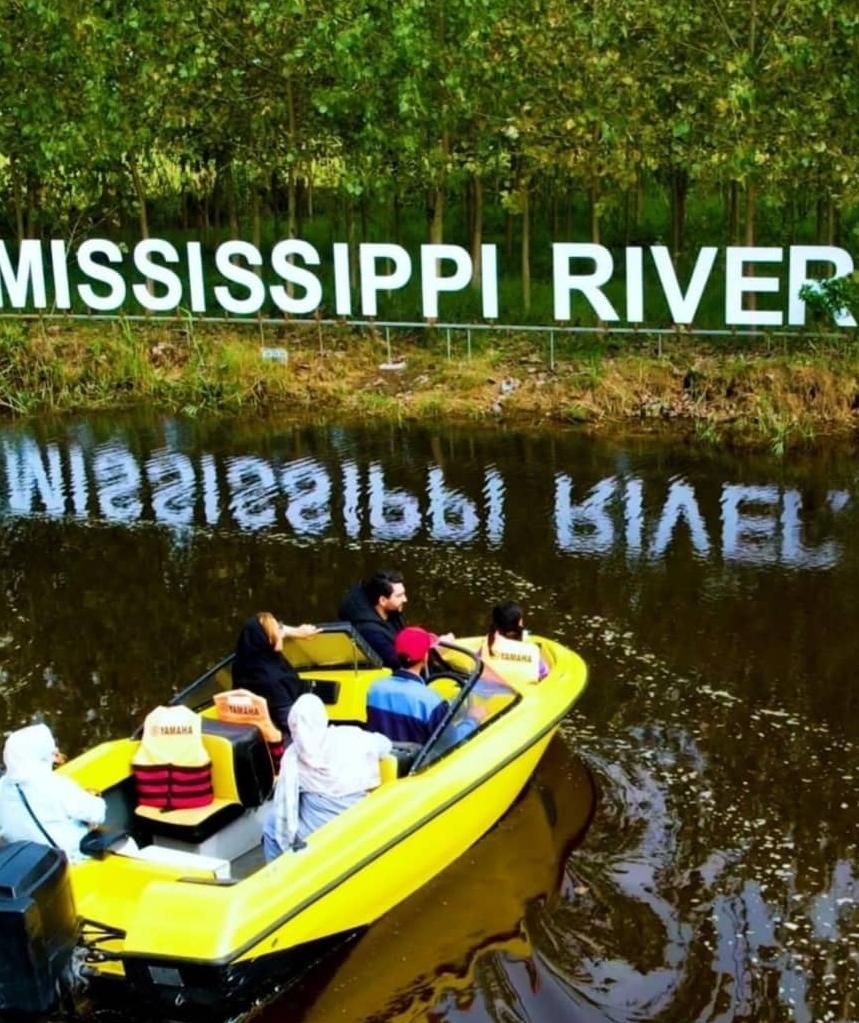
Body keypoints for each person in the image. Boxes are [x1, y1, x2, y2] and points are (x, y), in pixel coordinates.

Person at [262, 693, 392, 861]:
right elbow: (385, 745)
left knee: (271, 824)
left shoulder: (292, 755)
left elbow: (285, 805)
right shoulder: (351, 736)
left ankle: (276, 875)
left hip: (316, 829)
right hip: (359, 816)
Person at [0, 723, 106, 863]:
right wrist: (93, 798)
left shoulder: (2, 786)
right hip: (70, 860)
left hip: (26, 862)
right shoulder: (55, 784)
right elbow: (98, 814)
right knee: (126, 843)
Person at [367, 626, 483, 743]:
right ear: (425, 657)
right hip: (419, 759)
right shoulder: (431, 702)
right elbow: (452, 742)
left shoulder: (375, 688)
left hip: (385, 757)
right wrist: (472, 719)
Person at [231, 612, 319, 737]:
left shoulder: (243, 664)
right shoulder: (272, 682)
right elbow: (294, 726)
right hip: (289, 738)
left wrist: (297, 631)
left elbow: (262, 629)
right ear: (267, 639)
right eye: (277, 629)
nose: (281, 633)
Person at [338, 570, 407, 669]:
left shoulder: (392, 611)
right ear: (382, 600)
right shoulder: (371, 632)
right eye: (399, 596)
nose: (405, 599)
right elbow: (398, 663)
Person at [480, 602, 548, 687]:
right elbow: (544, 674)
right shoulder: (532, 650)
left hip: (489, 691)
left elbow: (476, 662)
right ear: (519, 623)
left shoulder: (488, 643)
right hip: (524, 695)